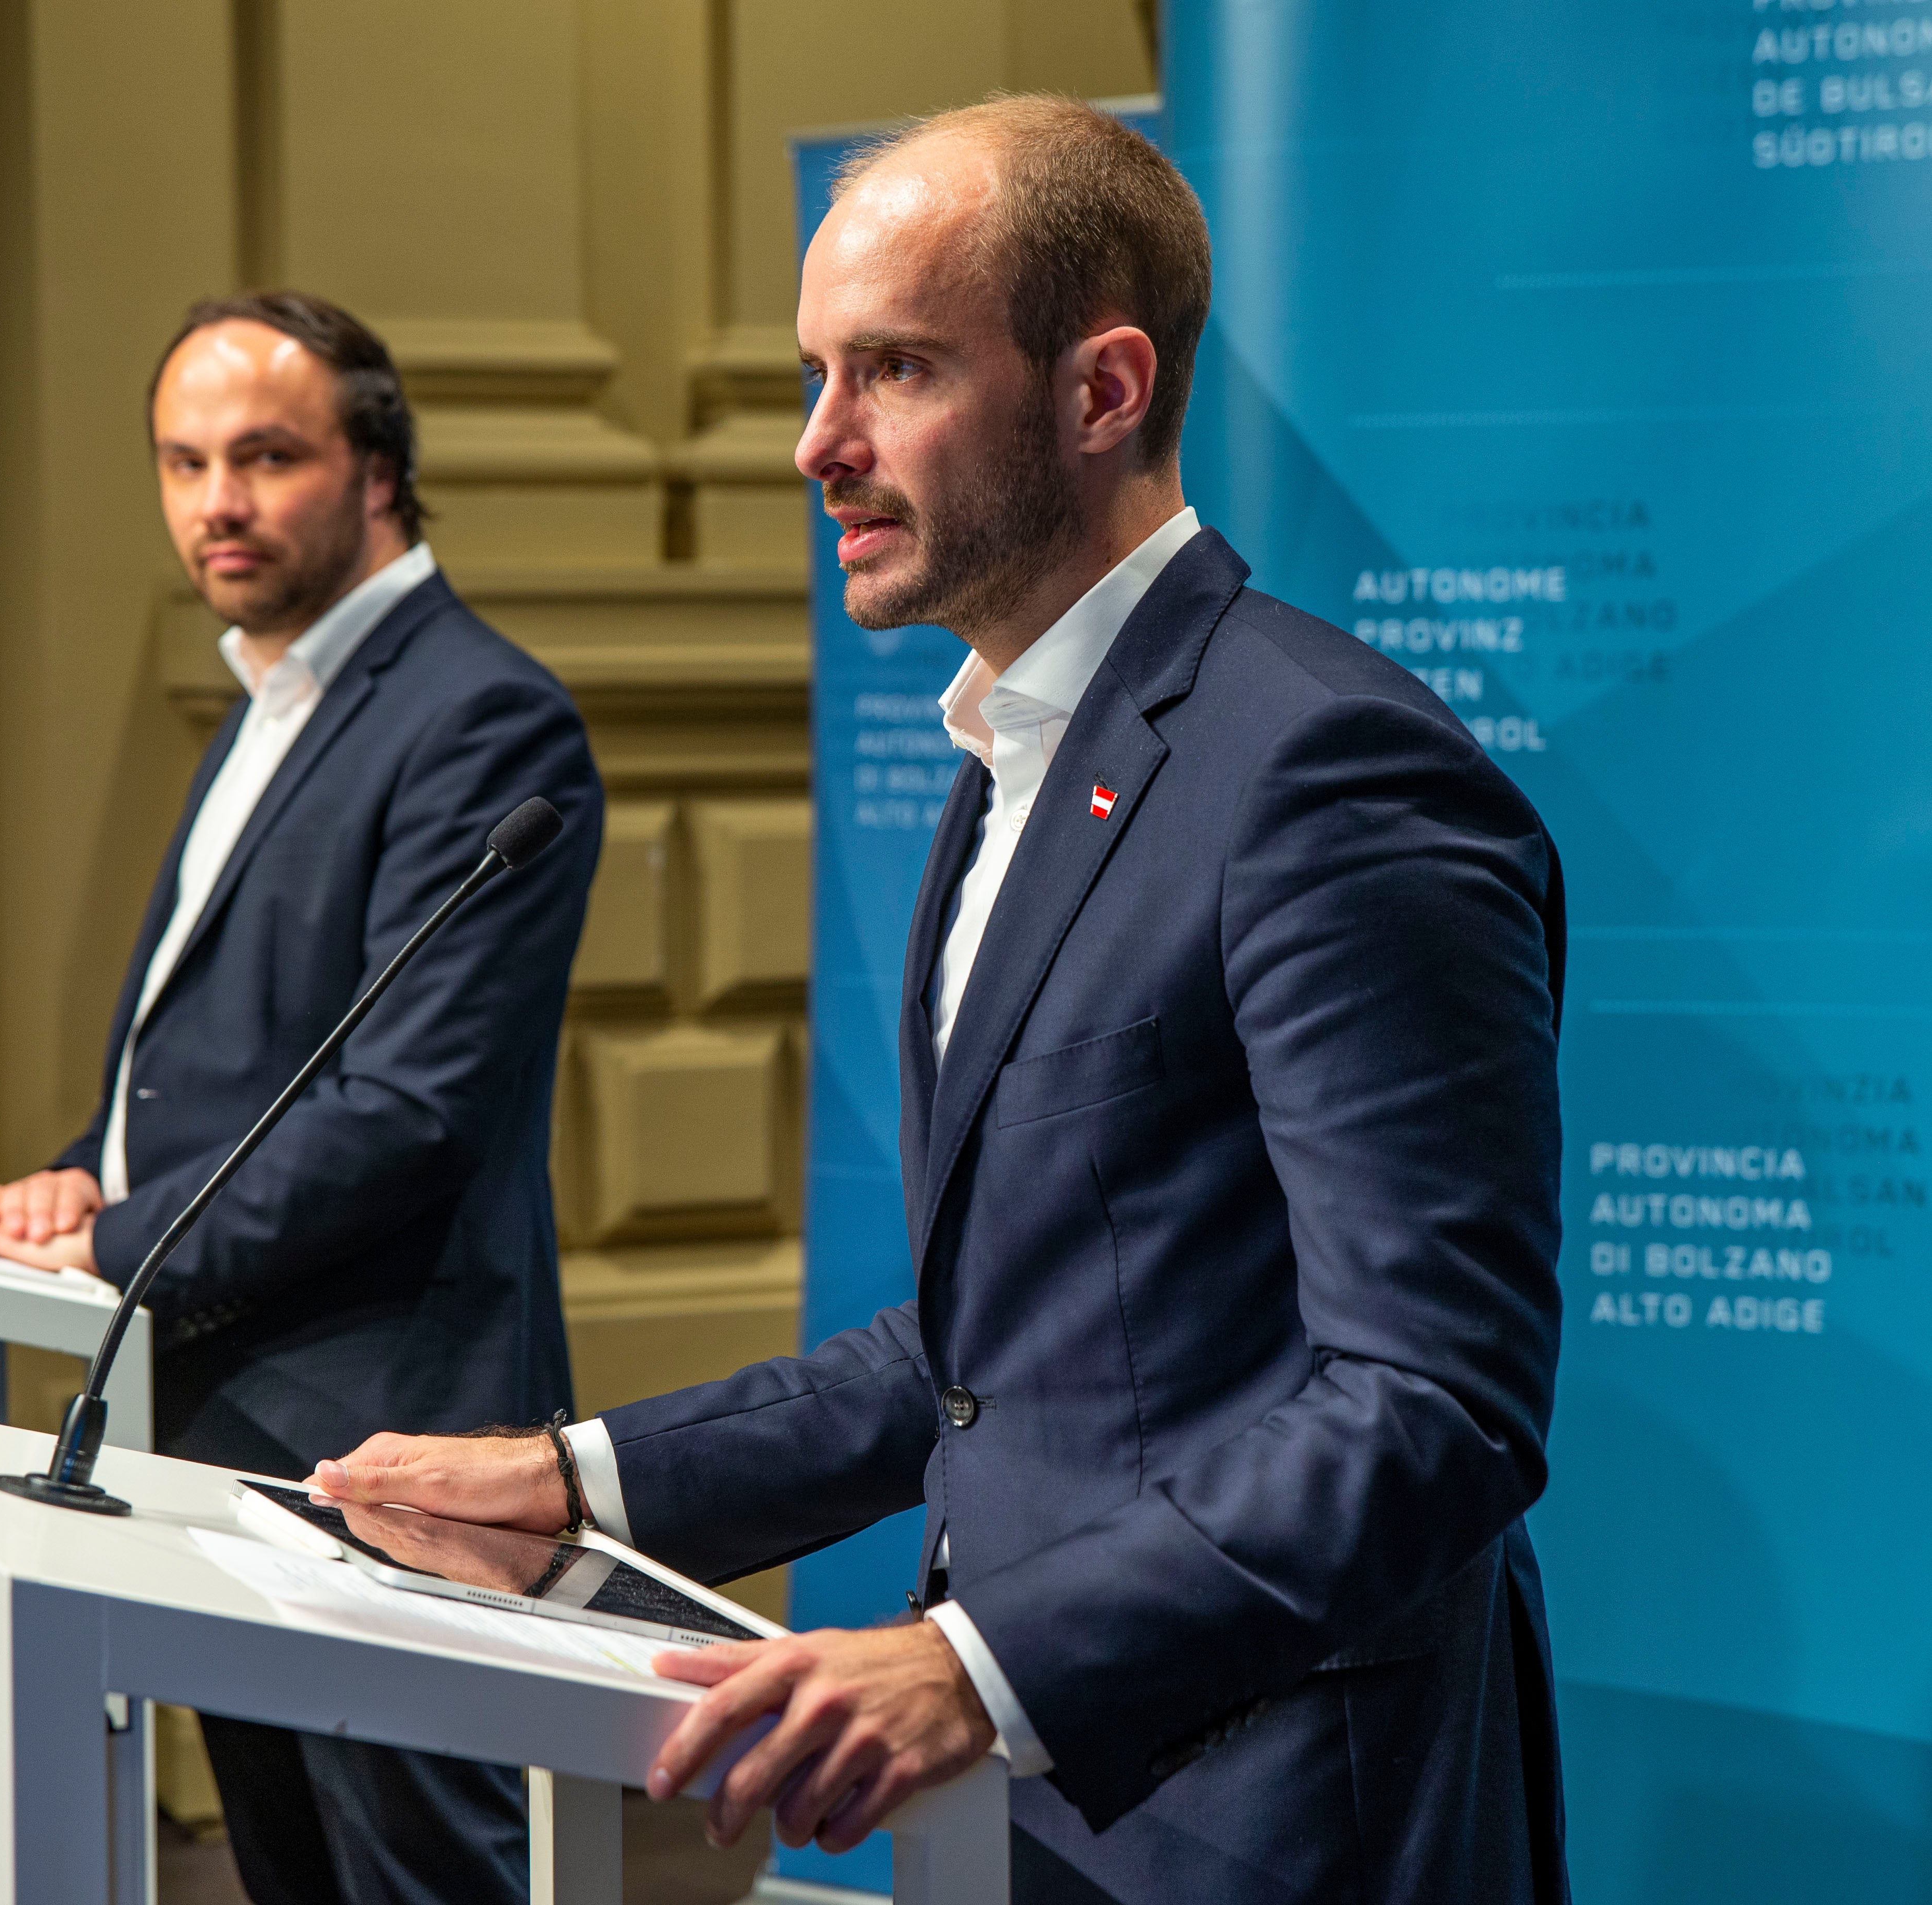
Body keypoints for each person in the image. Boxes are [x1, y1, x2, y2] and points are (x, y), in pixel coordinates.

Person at [311, 96, 1569, 1904]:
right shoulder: (1010, 762)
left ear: (1100, 388)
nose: (818, 444)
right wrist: (581, 1480)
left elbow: (1431, 1399)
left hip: (1274, 1816)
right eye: (817, 374)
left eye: (891, 369)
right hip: (1042, 1810)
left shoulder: (1324, 770)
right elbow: (1003, 1350)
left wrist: (979, 1670)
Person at [0, 290, 602, 1905]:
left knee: (422, 1872)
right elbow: (223, 1050)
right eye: (184, 460)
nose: (216, 500)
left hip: (385, 1423)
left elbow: (409, 1103)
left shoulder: (480, 714)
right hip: (228, 1391)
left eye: (266, 456)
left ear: (378, 470)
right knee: (290, 1869)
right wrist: (90, 1175)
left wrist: (114, 1245)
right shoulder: (272, 692)